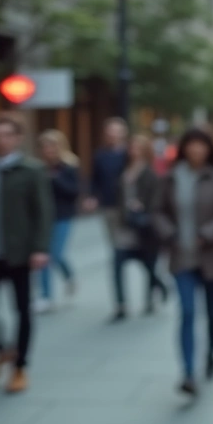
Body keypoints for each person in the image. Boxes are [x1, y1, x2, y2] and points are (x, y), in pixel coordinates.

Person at [153, 128, 213, 396]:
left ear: (208, 149)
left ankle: (210, 354)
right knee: (188, 311)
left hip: (212, 256)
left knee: (212, 312)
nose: (196, 150)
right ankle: (188, 372)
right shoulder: (170, 178)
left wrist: (208, 233)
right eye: (191, 145)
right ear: (184, 148)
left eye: (201, 145)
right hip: (181, 256)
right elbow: (157, 210)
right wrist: (168, 232)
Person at [0, 114, 53, 394]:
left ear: (17, 138)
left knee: (22, 311)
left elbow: (43, 212)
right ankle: (1, 350)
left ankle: (20, 369)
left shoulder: (31, 170)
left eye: (6, 135)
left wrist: (40, 248)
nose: (0, 140)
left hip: (19, 253)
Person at [113, 134, 168, 320]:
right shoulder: (125, 169)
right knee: (118, 262)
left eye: (137, 147)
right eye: (131, 147)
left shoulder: (150, 173)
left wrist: (142, 206)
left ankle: (153, 295)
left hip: (145, 227)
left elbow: (156, 200)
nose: (133, 150)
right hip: (125, 226)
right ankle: (121, 304)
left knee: (148, 264)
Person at [87, 117, 130, 319]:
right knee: (117, 255)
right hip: (110, 210)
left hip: (131, 211)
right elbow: (95, 180)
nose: (113, 135)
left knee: (141, 255)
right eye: (110, 131)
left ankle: (156, 283)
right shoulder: (100, 155)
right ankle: (120, 302)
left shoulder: (131, 154)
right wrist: (93, 197)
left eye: (117, 131)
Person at [35, 129, 81, 313]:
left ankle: (69, 276)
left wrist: (55, 180)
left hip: (62, 216)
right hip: (42, 218)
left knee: (56, 255)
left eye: (52, 145)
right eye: (45, 146)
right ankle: (46, 296)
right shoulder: (37, 168)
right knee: (43, 256)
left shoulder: (69, 167)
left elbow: (74, 192)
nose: (48, 150)